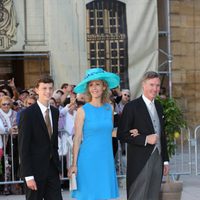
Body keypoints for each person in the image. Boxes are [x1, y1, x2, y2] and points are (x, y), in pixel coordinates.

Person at [68, 67, 119, 200]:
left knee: (104, 195)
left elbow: (110, 132)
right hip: (87, 159)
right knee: (89, 195)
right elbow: (77, 138)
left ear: (104, 86)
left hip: (106, 158)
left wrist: (131, 133)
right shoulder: (82, 111)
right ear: (88, 89)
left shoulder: (110, 108)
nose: (94, 88)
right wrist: (74, 164)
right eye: (91, 85)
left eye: (97, 84)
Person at [117, 71, 169, 200]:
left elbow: (162, 135)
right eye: (151, 85)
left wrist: (165, 160)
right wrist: (145, 138)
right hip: (140, 160)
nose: (155, 88)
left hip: (158, 158)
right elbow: (122, 134)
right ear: (143, 85)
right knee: (138, 196)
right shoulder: (131, 107)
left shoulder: (159, 106)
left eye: (157, 85)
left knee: (153, 195)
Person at [18, 75, 63, 200]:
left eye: (50, 88)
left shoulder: (55, 112)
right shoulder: (28, 114)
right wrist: (28, 176)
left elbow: (53, 143)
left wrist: (57, 167)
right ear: (36, 90)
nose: (48, 91)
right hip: (34, 170)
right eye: (44, 88)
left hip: (52, 170)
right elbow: (23, 147)